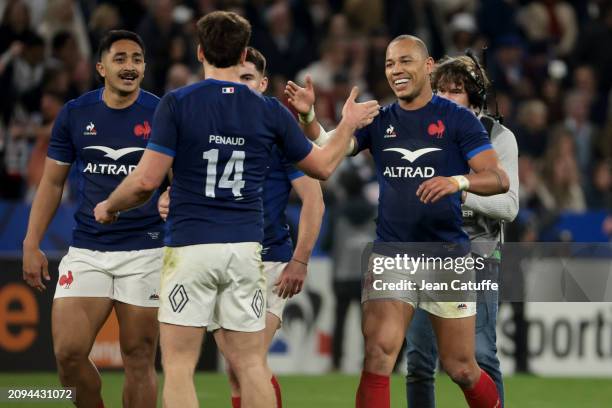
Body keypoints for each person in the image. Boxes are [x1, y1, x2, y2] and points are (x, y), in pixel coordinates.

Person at [93, 11, 378, 408]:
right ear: (243, 51)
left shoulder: (177, 103)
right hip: (246, 251)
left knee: (177, 366)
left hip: (191, 246)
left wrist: (110, 205)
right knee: (250, 364)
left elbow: (144, 182)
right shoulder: (270, 110)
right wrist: (346, 124)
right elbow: (324, 167)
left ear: (199, 51)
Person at [285, 34, 509, 408]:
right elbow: (328, 149)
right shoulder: (380, 119)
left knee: (461, 367)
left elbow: (498, 178)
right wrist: (308, 116)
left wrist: (457, 181)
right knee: (378, 354)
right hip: (392, 253)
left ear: (428, 66)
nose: (396, 70)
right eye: (389, 64)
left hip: (447, 255)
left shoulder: (457, 119)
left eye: (405, 61)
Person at [157, 46, 326, 408]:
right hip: (225, 257)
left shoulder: (277, 130)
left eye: (248, 78)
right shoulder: (210, 125)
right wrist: (169, 199)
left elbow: (314, 198)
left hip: (270, 260)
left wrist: (300, 260)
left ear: (263, 83)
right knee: (239, 368)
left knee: (248, 362)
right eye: (237, 76)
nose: (241, 84)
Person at [22, 30, 162, 408]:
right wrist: (31, 242)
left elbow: (181, 180)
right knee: (68, 354)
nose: (129, 66)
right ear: (101, 67)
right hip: (88, 249)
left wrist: (173, 199)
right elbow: (52, 183)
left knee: (138, 359)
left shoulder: (163, 113)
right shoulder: (75, 113)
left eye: (136, 59)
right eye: (120, 59)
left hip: (146, 251)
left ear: (144, 67)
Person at [405, 54, 520, 408]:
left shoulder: (498, 136)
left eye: (455, 91)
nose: (445, 96)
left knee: (481, 353)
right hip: (428, 254)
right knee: (420, 360)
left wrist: (459, 189)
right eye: (439, 89)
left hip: (479, 255)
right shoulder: (420, 130)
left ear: (474, 98)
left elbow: (509, 207)